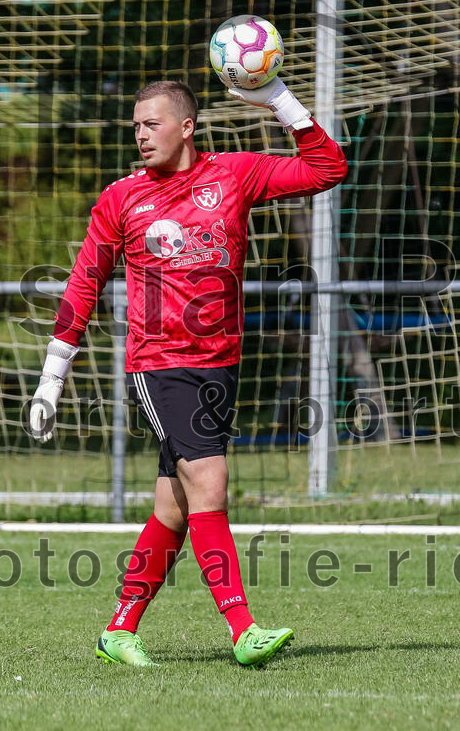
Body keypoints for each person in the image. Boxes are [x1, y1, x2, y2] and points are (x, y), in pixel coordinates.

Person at [29, 75, 347, 667]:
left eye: (152, 124)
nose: (141, 135)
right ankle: (243, 629)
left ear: (187, 127)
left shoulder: (234, 174)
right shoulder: (122, 197)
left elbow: (326, 169)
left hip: (221, 363)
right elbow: (84, 281)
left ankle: (118, 630)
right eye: (136, 126)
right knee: (209, 484)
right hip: (160, 364)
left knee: (174, 508)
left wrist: (279, 98)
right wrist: (54, 374)